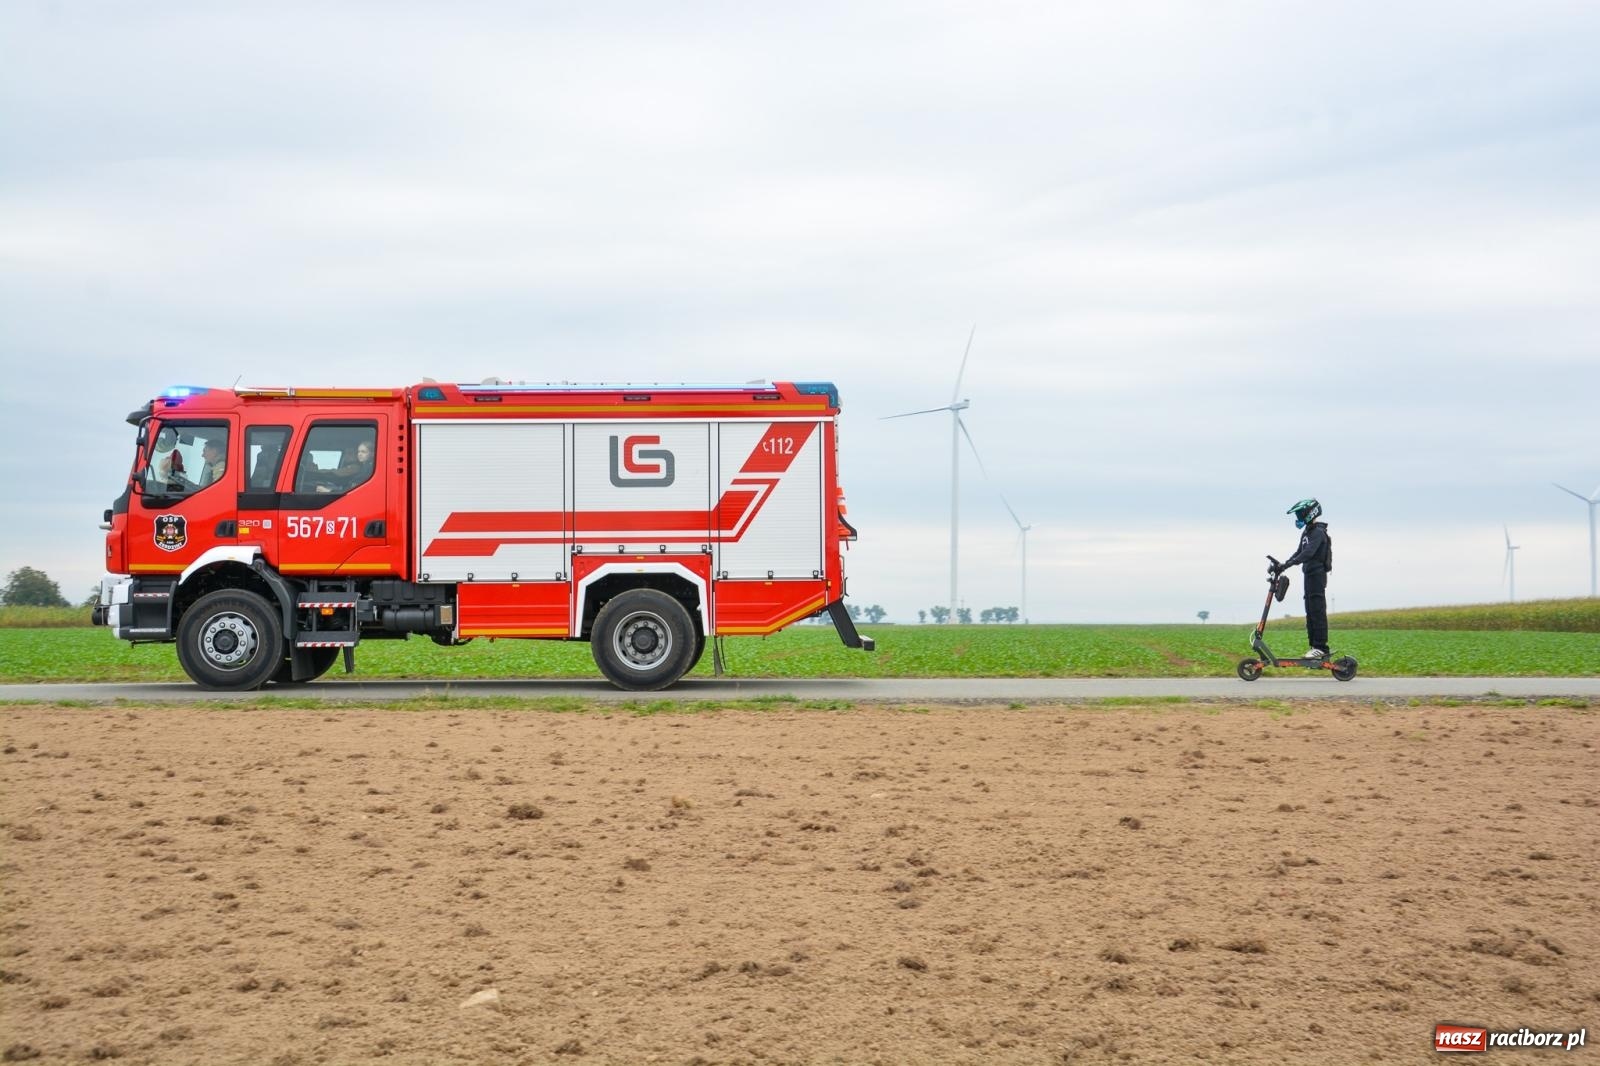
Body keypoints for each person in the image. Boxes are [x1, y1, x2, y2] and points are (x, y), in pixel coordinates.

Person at [1273, 498, 1333, 659]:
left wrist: (1290, 563)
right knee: (1309, 610)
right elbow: (1299, 551)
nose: (1298, 517)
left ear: (1309, 513)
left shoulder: (1318, 533)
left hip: (1317, 575)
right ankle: (1314, 646)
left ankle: (1321, 647)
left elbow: (1308, 553)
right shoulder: (1307, 532)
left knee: (1317, 610)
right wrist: (1284, 565)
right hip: (1308, 575)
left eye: (1300, 514)